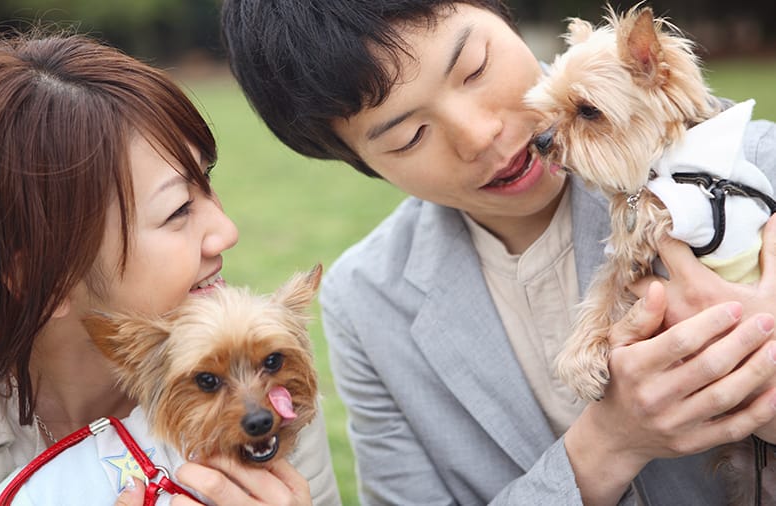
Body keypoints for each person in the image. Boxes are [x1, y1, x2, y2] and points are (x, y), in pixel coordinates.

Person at [221, 1, 776, 504]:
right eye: (409, 137)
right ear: (362, 164)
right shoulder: (366, 303)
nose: (480, 135)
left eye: (475, 68)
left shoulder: (752, 163)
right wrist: (605, 446)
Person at [0, 28, 339, 506]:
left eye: (207, 181)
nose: (226, 230)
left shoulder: (266, 385)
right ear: (47, 278)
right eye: (178, 209)